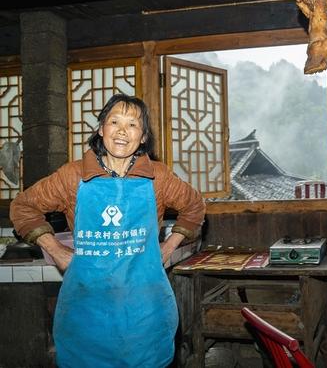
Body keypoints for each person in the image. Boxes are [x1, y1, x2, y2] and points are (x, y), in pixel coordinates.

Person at [10, 93, 205, 368]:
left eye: (133, 124)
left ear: (143, 136)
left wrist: (168, 247)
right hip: (87, 307)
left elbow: (194, 206)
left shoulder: (158, 177)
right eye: (114, 121)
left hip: (144, 308)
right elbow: (23, 206)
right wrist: (55, 249)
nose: (123, 131)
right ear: (102, 130)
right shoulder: (72, 175)